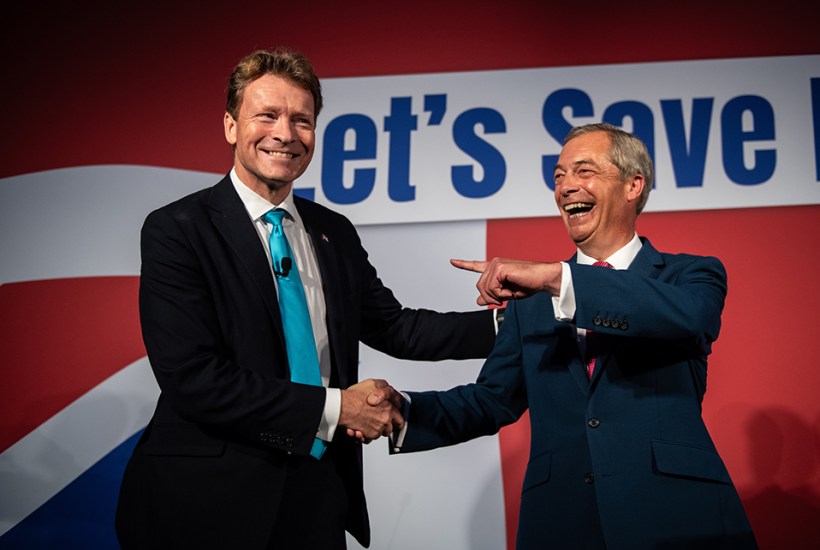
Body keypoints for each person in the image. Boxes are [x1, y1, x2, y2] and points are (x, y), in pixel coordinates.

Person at [114, 48, 498, 550]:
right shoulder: (178, 229)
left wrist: (516, 323)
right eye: (267, 115)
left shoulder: (332, 232)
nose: (285, 133)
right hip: (204, 502)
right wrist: (340, 408)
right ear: (230, 126)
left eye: (302, 120)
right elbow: (194, 377)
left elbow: (397, 327)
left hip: (316, 496)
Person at [385, 123, 757, 549]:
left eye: (584, 171)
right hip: (563, 523)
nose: (566, 187)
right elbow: (491, 401)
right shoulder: (531, 303)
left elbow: (692, 318)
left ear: (633, 185)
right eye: (559, 176)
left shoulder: (688, 275)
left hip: (678, 518)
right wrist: (401, 410)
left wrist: (560, 279)